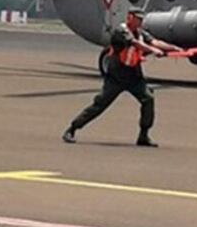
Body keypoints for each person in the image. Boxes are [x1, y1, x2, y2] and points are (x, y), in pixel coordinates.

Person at [63, 9, 182, 147]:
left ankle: (143, 135)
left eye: (142, 19)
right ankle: (72, 129)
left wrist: (173, 48)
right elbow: (135, 44)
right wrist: (153, 50)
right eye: (138, 18)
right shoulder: (121, 30)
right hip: (116, 77)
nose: (140, 22)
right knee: (100, 104)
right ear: (129, 17)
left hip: (134, 76)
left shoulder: (140, 32)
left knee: (148, 99)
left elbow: (154, 42)